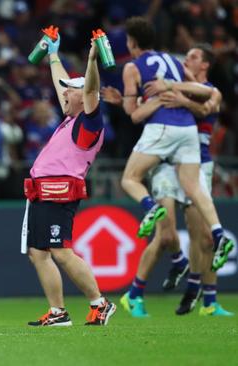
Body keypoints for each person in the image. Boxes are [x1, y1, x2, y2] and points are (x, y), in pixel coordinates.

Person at [119, 17, 234, 271]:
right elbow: (203, 89)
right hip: (188, 131)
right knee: (194, 188)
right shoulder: (173, 60)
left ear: (133, 42)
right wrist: (174, 90)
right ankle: (219, 234)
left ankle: (150, 209)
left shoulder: (132, 67)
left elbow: (133, 114)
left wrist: (154, 101)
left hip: (162, 128)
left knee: (130, 178)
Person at [22, 34, 116, 327]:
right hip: (41, 191)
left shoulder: (89, 121)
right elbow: (65, 84)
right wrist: (53, 54)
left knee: (61, 251)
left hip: (59, 191)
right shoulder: (70, 119)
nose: (63, 94)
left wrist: (90, 61)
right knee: (38, 254)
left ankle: (100, 304)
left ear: (84, 96)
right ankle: (58, 312)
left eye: (70, 92)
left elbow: (90, 89)